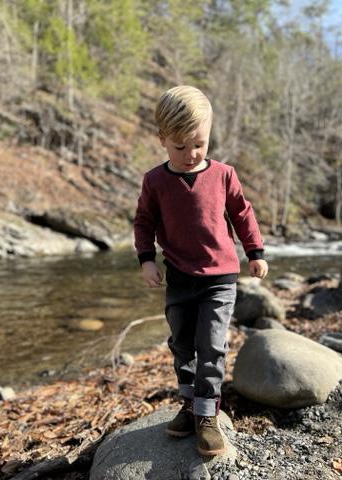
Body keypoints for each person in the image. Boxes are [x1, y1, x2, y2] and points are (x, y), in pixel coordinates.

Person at [134, 85, 268, 456]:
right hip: (178, 277)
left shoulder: (224, 175)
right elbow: (144, 222)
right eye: (180, 146)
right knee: (182, 343)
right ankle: (190, 402)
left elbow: (242, 213)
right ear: (162, 139)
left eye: (200, 144)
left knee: (211, 345)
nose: (191, 154)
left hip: (219, 279)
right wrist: (147, 259)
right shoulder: (155, 181)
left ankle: (207, 414)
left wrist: (255, 251)